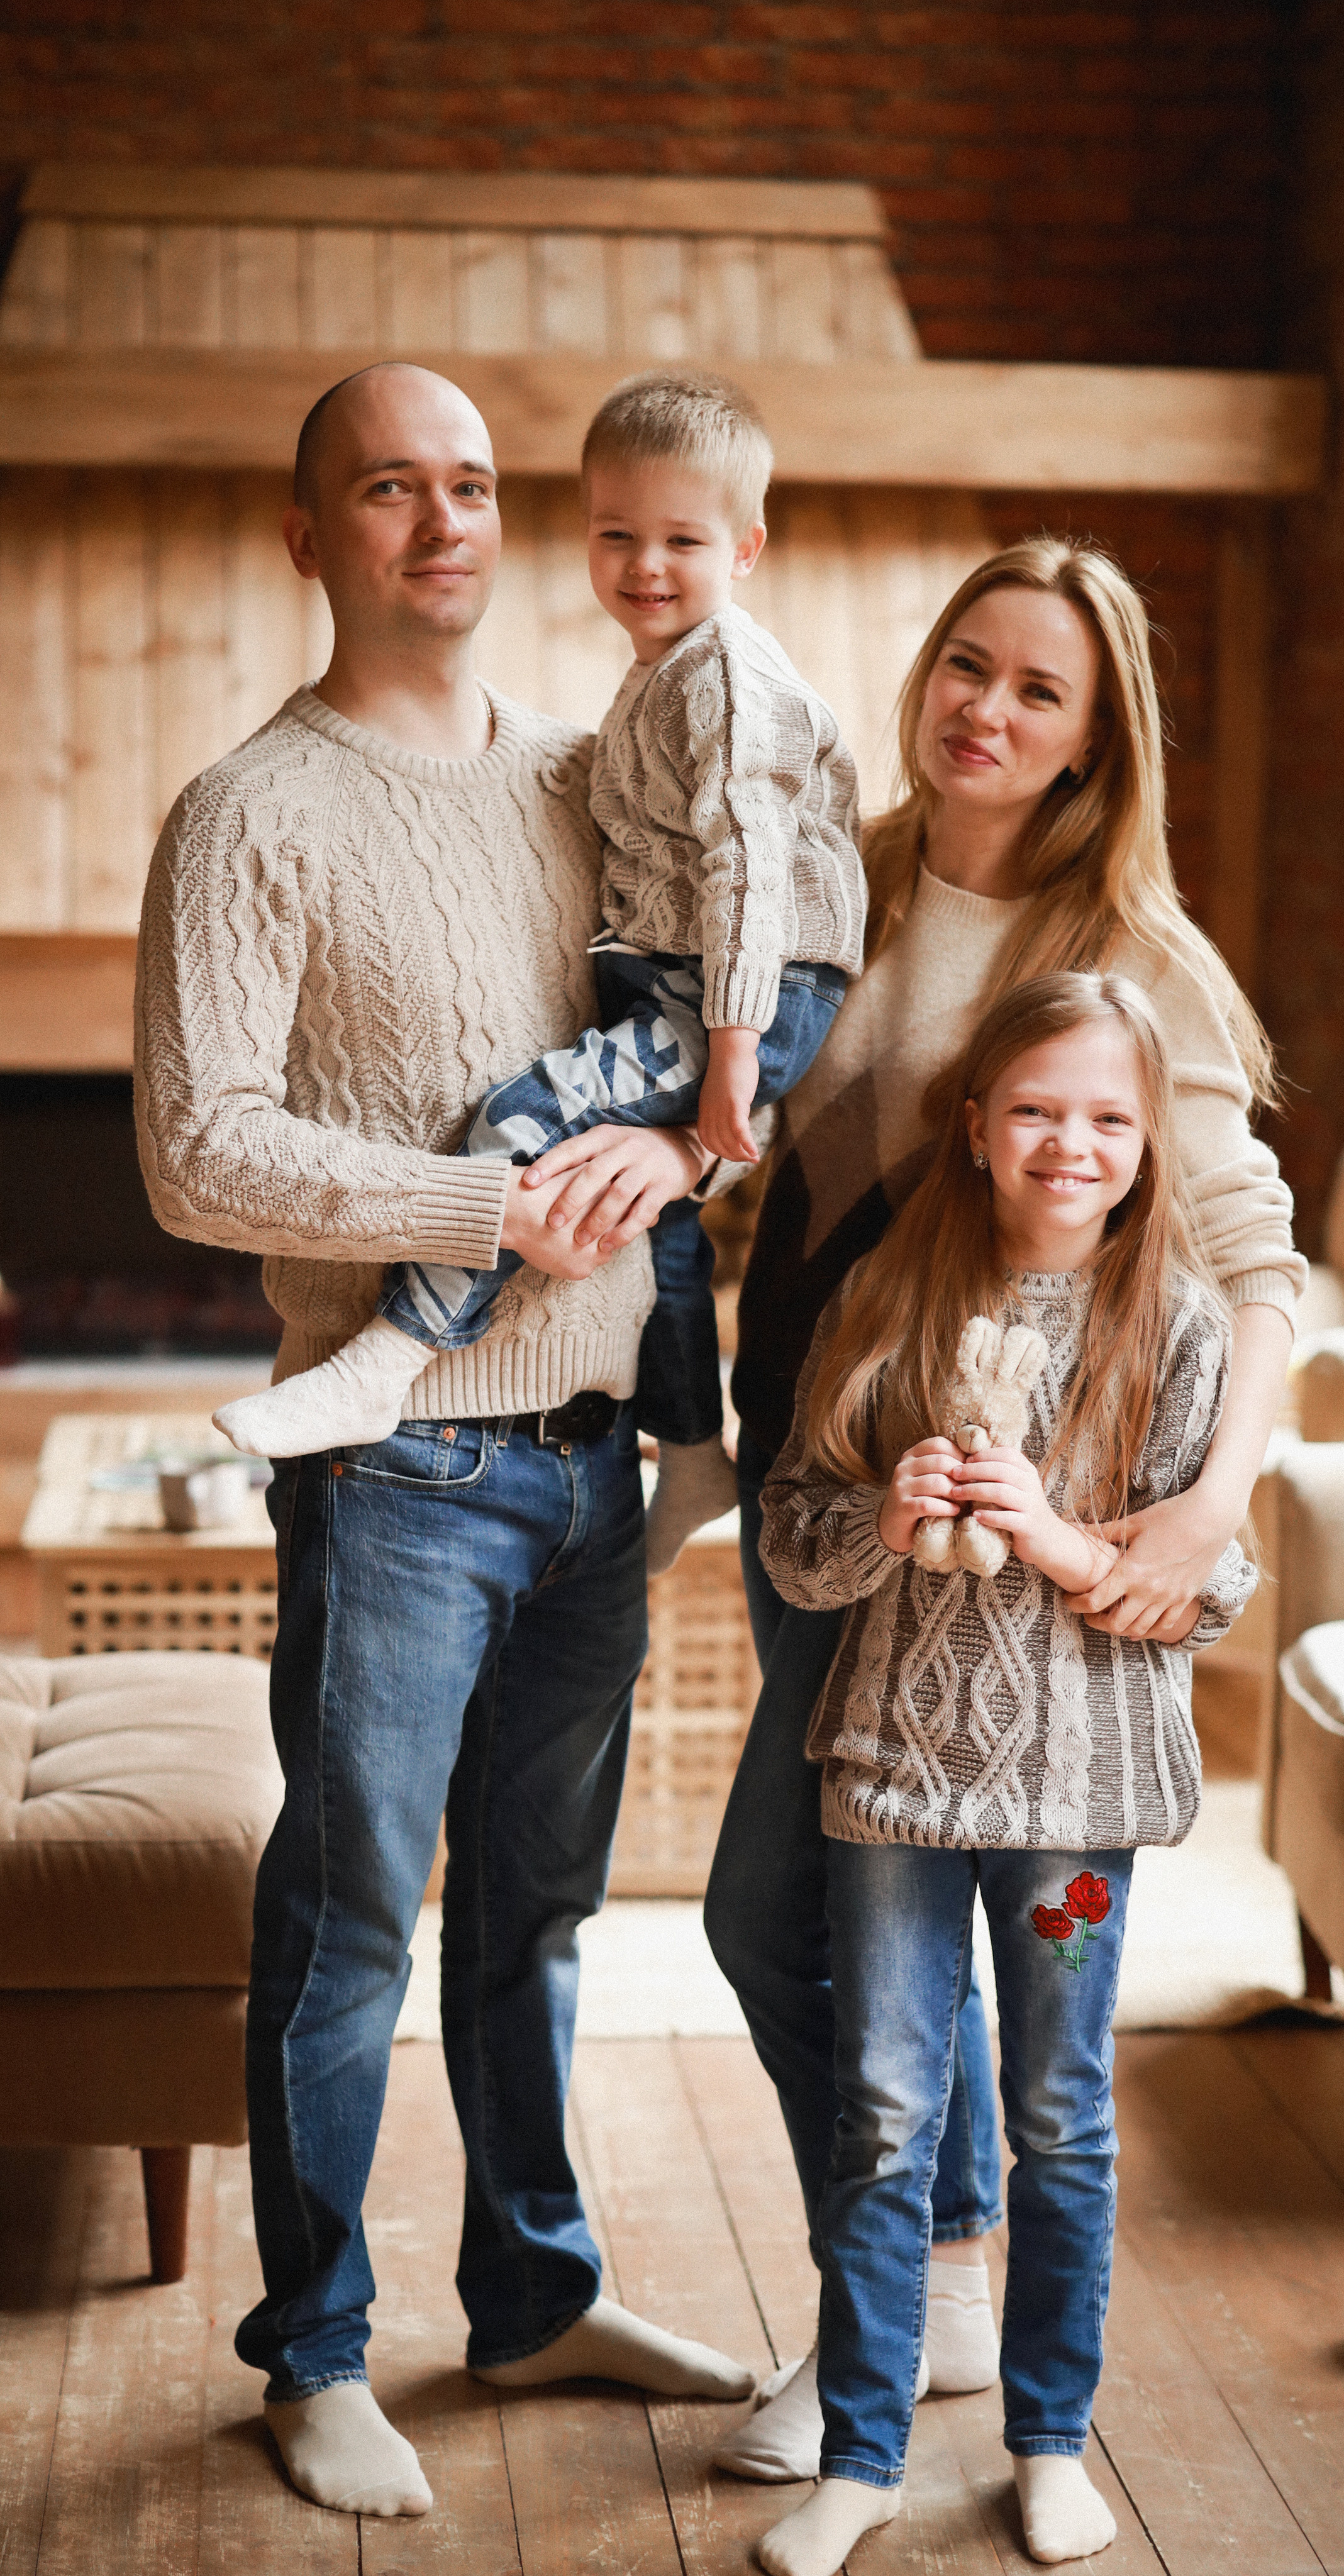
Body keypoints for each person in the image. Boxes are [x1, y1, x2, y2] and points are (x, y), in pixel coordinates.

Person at [134, 360, 758, 2523]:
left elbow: (697, 1032)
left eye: (475, 485)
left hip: (601, 1465)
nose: (443, 522)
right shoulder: (249, 811)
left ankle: (532, 2292)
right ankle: (311, 2347)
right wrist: (481, 1204)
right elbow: (195, 1151)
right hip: (399, 1469)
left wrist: (683, 1153)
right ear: (308, 534)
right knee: (346, 1928)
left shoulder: (596, 776)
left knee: (537, 1918)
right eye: (390, 487)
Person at [703, 536, 1304, 2483]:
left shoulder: (1132, 952)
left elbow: (1253, 1258)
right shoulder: (842, 880)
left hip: (1015, 1513)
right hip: (835, 1464)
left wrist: (1207, 1505)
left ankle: (938, 2293)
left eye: (1041, 690)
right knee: (811, 1914)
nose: (986, 708)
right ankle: (930, 2289)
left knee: (777, 1911)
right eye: (969, 662)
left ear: (1092, 739)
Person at [752, 971, 1254, 2576]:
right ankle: (861, 2457)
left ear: (1147, 1139)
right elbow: (794, 1539)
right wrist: (883, 1517)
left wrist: (1048, 1534)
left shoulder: (1178, 1322)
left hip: (1076, 1807)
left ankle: (1047, 2442)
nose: (1068, 1143)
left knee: (1059, 2113)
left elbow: (1213, 1589)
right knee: (885, 2113)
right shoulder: (885, 1298)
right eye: (1036, 1109)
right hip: (895, 1782)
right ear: (974, 1127)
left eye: (1107, 1116)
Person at [215, 370, 868, 1576]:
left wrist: (726, 1073)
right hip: (696, 986)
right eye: (617, 536)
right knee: (664, 1230)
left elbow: (748, 866)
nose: (646, 565)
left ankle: (388, 1356)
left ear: (746, 547)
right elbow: (202, 1154)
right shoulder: (256, 811)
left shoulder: (719, 680)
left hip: (738, 987)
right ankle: (694, 1449)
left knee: (522, 1114)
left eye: (682, 541)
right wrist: (684, 1148)